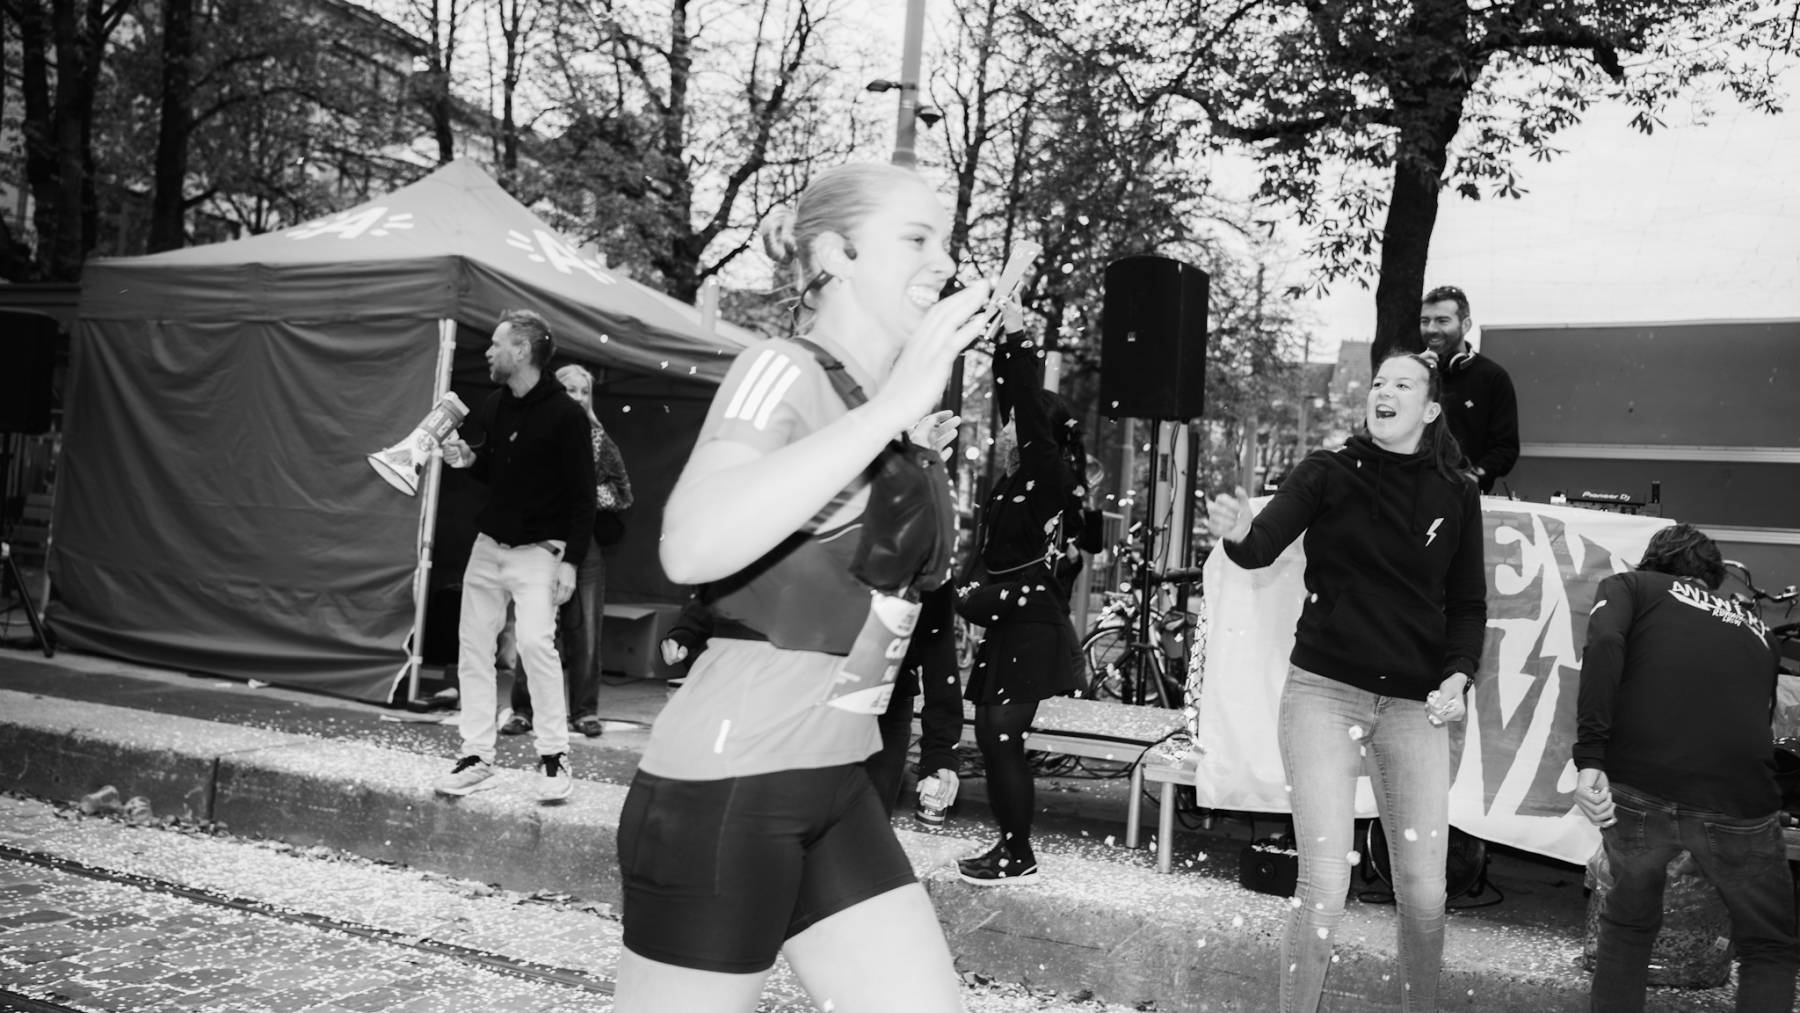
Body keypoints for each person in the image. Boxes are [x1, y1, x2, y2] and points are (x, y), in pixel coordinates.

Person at [614, 163, 990, 1013]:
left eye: (945, 239)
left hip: (836, 779)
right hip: (727, 785)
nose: (943, 259)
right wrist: (891, 413)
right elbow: (691, 542)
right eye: (916, 238)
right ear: (836, 254)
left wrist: (899, 423)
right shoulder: (782, 367)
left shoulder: (882, 404)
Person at [1205, 351, 1487, 1013]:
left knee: (1425, 891)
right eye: (1379, 382)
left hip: (1415, 704)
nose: (1384, 391)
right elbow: (1261, 545)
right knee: (1325, 886)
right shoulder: (1329, 470)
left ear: (1431, 409)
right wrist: (1239, 533)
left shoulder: (1457, 491)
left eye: (1402, 384)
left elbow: (1468, 603)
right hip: (1324, 693)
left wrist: (1458, 673)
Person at [1573, 523, 1798, 1012]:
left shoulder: (1632, 586)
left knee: (1628, 924)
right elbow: (1759, 719)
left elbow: (1605, 646)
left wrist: (1590, 757)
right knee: (1769, 943)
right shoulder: (1759, 630)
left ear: (1653, 561)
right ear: (1712, 579)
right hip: (1736, 798)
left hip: (1639, 786)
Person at [432, 309, 596, 803]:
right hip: (488, 547)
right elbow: (494, 466)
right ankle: (477, 756)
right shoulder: (495, 404)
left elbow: (583, 496)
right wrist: (469, 458)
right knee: (473, 649)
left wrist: (571, 562)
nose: (488, 351)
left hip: (540, 553)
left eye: (496, 343)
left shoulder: (566, 415)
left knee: (534, 646)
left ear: (522, 351)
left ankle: (554, 755)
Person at [954, 320, 1089, 887]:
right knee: (991, 739)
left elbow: (1030, 409)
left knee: (1003, 740)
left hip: (1032, 626)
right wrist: (962, 591)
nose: (1006, 428)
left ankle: (1018, 854)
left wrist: (1017, 343)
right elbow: (988, 556)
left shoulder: (1047, 476)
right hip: (1011, 622)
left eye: (1015, 423)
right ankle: (1010, 846)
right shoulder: (1011, 484)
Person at [502, 364, 632, 740]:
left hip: (584, 545)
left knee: (585, 632)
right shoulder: (533, 430)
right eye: (569, 389)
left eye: (583, 391)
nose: (577, 396)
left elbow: (624, 493)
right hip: (540, 542)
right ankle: (523, 710)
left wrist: (584, 495)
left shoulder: (599, 439)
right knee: (534, 629)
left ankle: (584, 712)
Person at [1418, 285, 1518, 494]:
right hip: (1408, 494)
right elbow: (1379, 429)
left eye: (1442, 321)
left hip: (1463, 497)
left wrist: (1473, 476)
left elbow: (1506, 449)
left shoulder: (1492, 378)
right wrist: (1411, 375)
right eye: (1425, 321)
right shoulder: (1408, 373)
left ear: (1465, 325)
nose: (1431, 329)